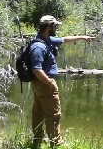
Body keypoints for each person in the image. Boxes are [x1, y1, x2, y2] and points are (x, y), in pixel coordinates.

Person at [30, 15, 95, 148]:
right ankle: (57, 144)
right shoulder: (39, 46)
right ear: (49, 27)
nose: (57, 27)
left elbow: (65, 39)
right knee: (54, 115)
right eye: (55, 25)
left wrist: (82, 37)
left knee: (39, 112)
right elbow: (36, 69)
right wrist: (49, 82)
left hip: (40, 85)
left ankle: (37, 142)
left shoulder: (47, 40)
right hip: (44, 84)